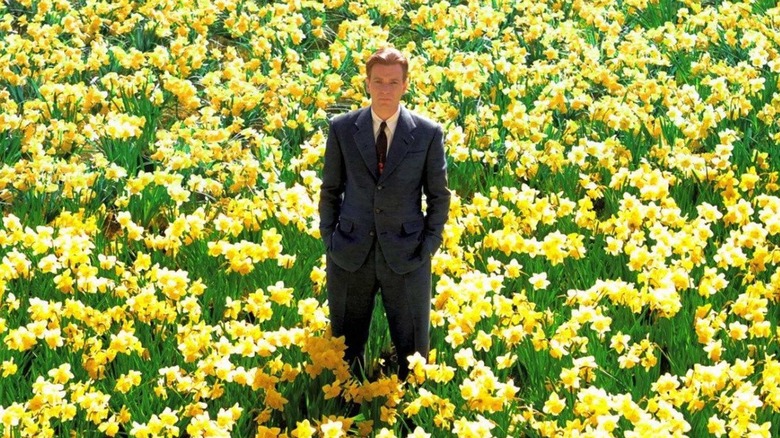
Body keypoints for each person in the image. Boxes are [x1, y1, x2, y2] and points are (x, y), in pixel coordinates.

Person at [318, 47, 450, 380]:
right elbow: (330, 190)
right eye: (378, 81)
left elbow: (439, 196)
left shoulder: (427, 133)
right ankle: (345, 407)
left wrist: (429, 246)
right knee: (345, 352)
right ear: (367, 83)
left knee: (414, 351)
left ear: (406, 84)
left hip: (408, 254)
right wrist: (330, 239)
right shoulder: (343, 128)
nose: (385, 90)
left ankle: (411, 417)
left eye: (393, 82)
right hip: (349, 251)